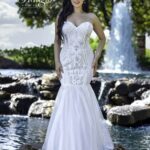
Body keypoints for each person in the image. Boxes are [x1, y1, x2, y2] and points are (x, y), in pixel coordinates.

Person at [42, 0, 114, 149]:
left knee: (83, 92)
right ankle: (65, 143)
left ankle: (85, 142)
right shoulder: (62, 15)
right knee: (68, 93)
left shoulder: (92, 17)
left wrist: (96, 57)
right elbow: (56, 40)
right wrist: (56, 62)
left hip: (85, 62)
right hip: (67, 62)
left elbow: (102, 39)